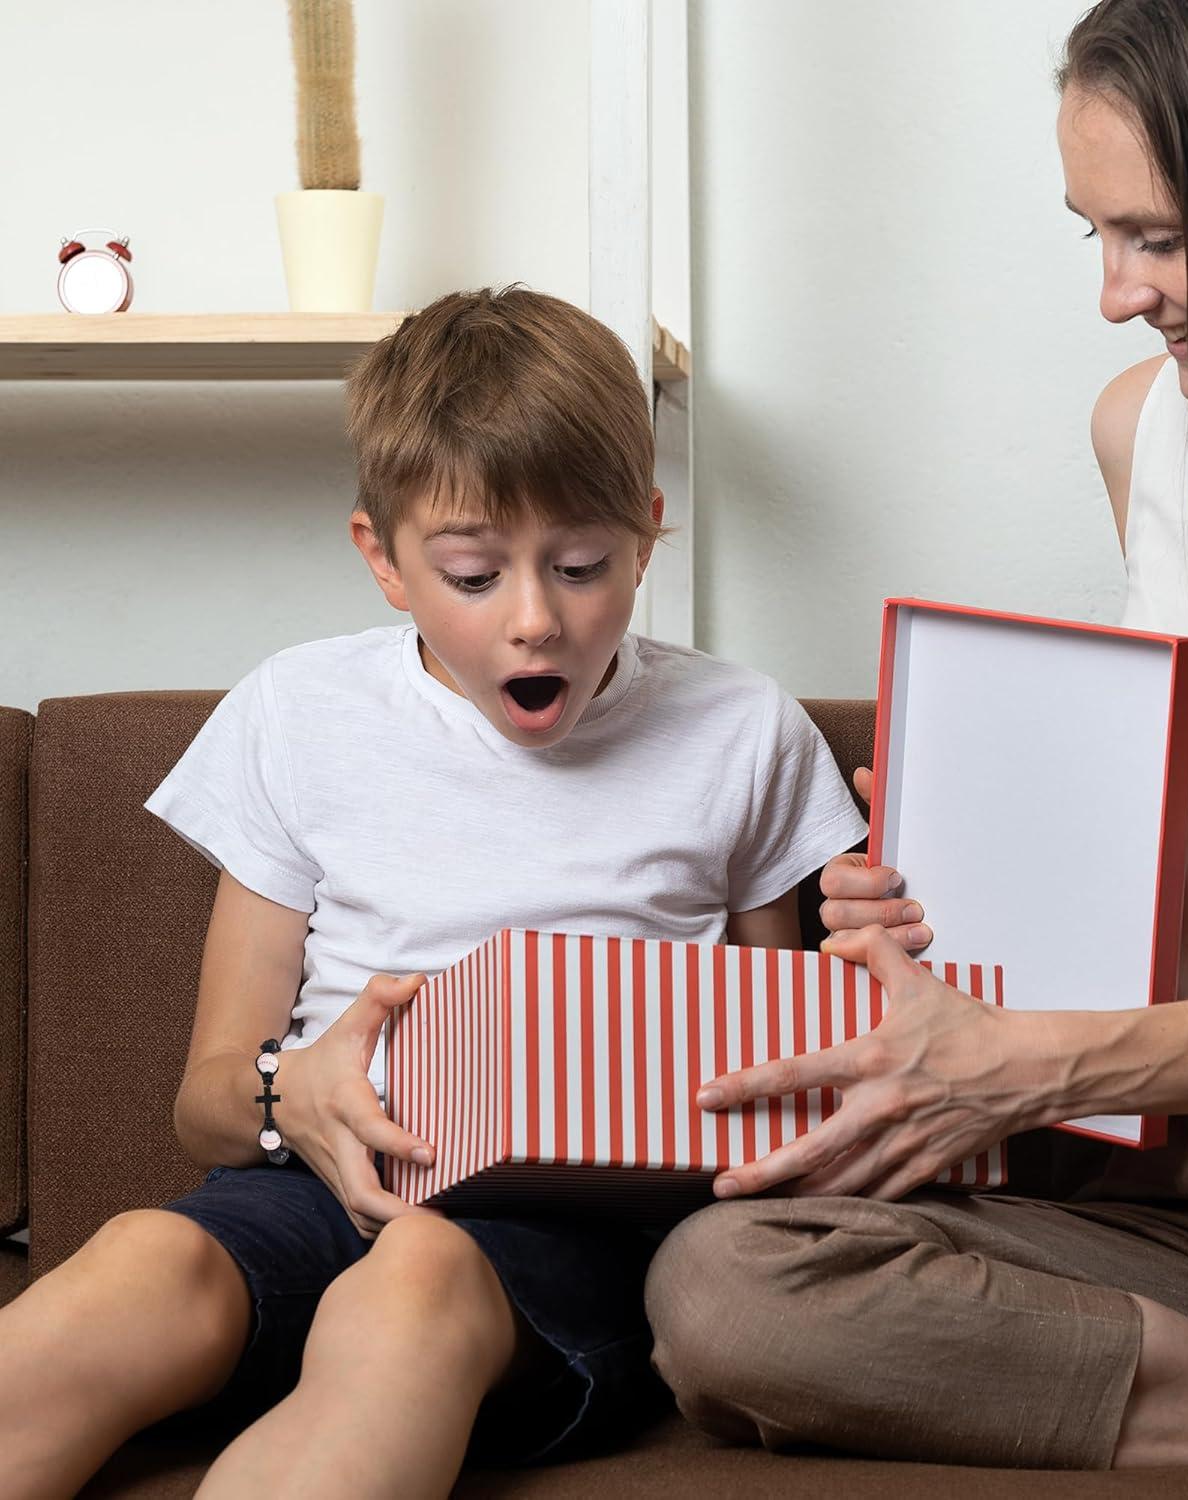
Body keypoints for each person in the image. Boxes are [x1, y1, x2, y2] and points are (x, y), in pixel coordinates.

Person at [646, 0, 1188, 1472]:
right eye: (1092, 235)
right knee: (727, 1289)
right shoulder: (1138, 428)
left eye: (1158, 239)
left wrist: (1046, 1058)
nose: (1117, 295)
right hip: (1160, 1177)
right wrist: (941, 919)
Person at [0, 287, 868, 1499]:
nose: (536, 622)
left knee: (414, 1280)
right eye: (472, 573)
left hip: (564, 1254)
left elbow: (776, 1085)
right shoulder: (299, 711)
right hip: (312, 1191)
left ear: (649, 533)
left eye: (582, 566)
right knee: (140, 1261)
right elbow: (206, 1099)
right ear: (385, 560)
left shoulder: (742, 731)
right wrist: (286, 1091)